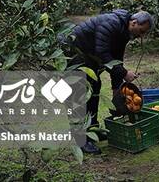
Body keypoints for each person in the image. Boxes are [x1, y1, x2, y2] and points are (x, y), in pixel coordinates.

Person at [61, 9, 153, 154]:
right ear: (134, 22)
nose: (140, 36)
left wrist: (117, 87)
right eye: (141, 31)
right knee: (80, 93)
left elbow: (116, 58)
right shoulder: (111, 23)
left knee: (94, 89)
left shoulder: (124, 31)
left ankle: (92, 130)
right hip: (74, 52)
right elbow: (102, 52)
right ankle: (81, 140)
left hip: (89, 56)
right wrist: (124, 73)